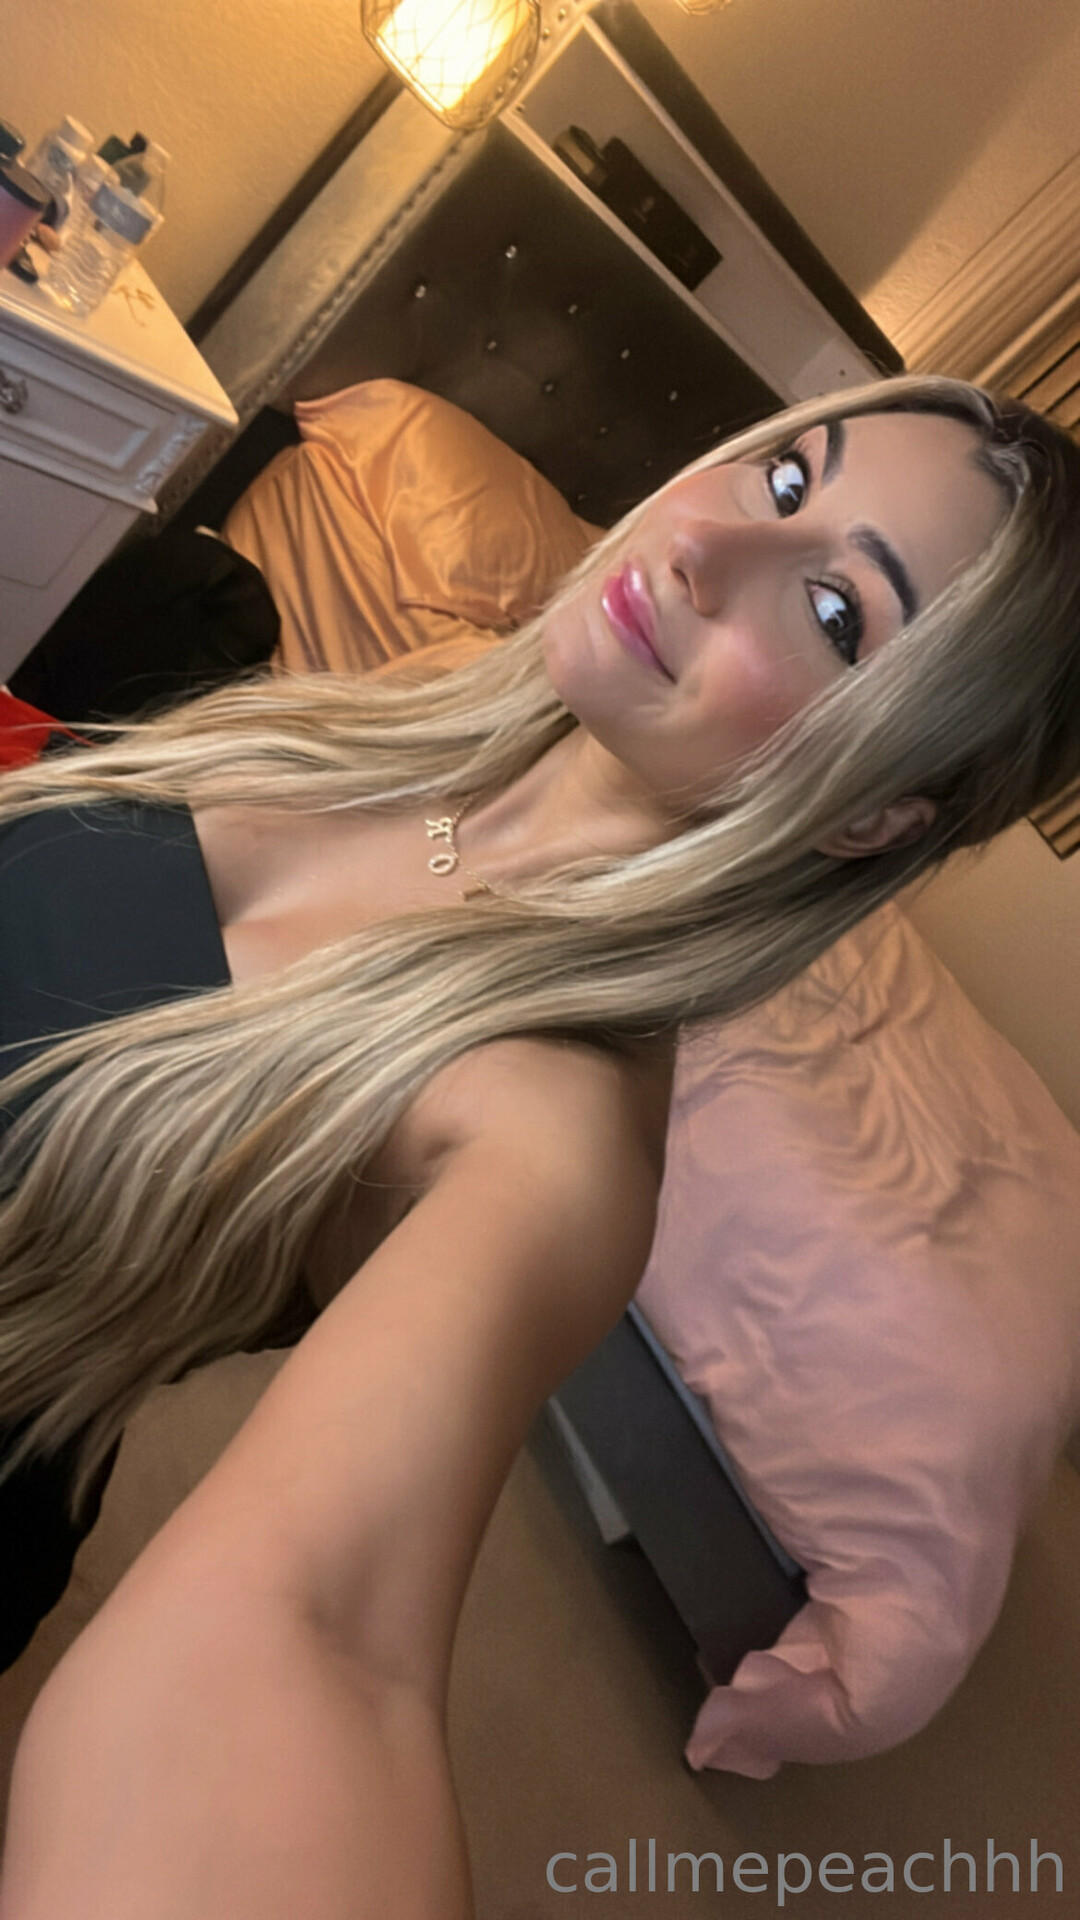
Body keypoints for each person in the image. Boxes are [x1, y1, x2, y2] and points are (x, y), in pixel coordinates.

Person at [0, 373, 1078, 1917]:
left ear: (870, 817)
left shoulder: (556, 1132)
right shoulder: (446, 698)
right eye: (787, 480)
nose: (704, 548)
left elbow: (325, 1637)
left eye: (838, 611)